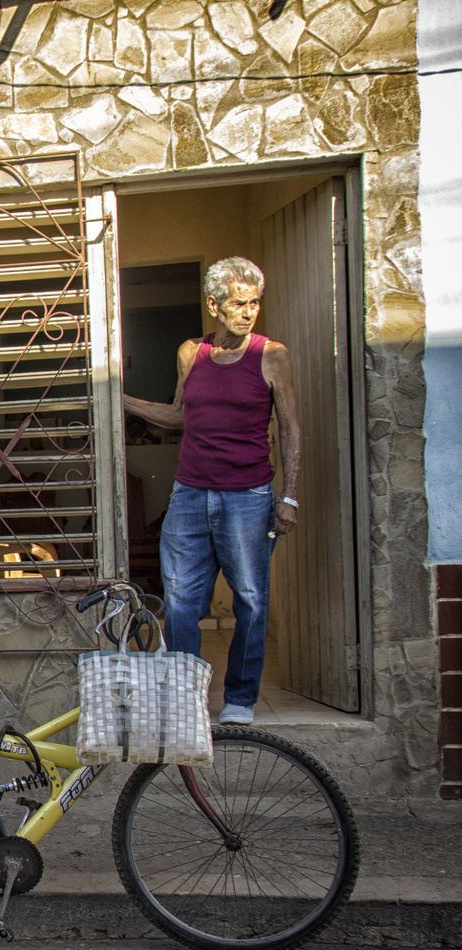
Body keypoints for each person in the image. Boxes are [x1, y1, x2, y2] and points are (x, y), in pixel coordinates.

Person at [122, 256, 302, 723]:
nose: (248, 312)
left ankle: (240, 699)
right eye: (239, 303)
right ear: (214, 305)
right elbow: (179, 415)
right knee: (181, 601)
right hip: (189, 494)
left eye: (254, 303)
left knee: (250, 598)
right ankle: (186, 696)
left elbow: (290, 429)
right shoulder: (190, 352)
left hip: (249, 494)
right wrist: (120, 400)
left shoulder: (271, 355)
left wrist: (289, 496)